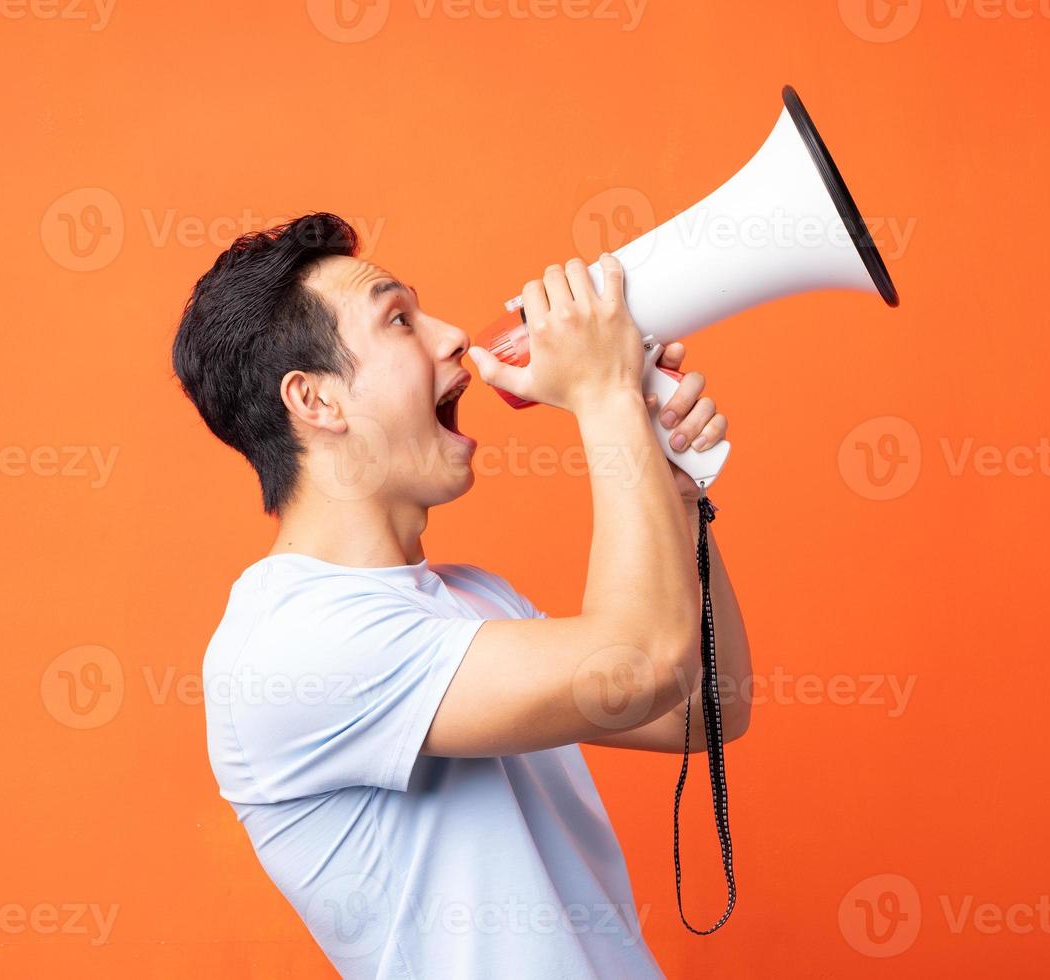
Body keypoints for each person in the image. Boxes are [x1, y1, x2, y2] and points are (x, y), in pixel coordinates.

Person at [170, 212, 751, 978]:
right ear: (314, 401)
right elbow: (641, 662)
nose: (451, 338)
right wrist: (605, 395)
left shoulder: (473, 599)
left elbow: (705, 705)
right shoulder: (291, 641)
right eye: (399, 320)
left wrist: (669, 492)